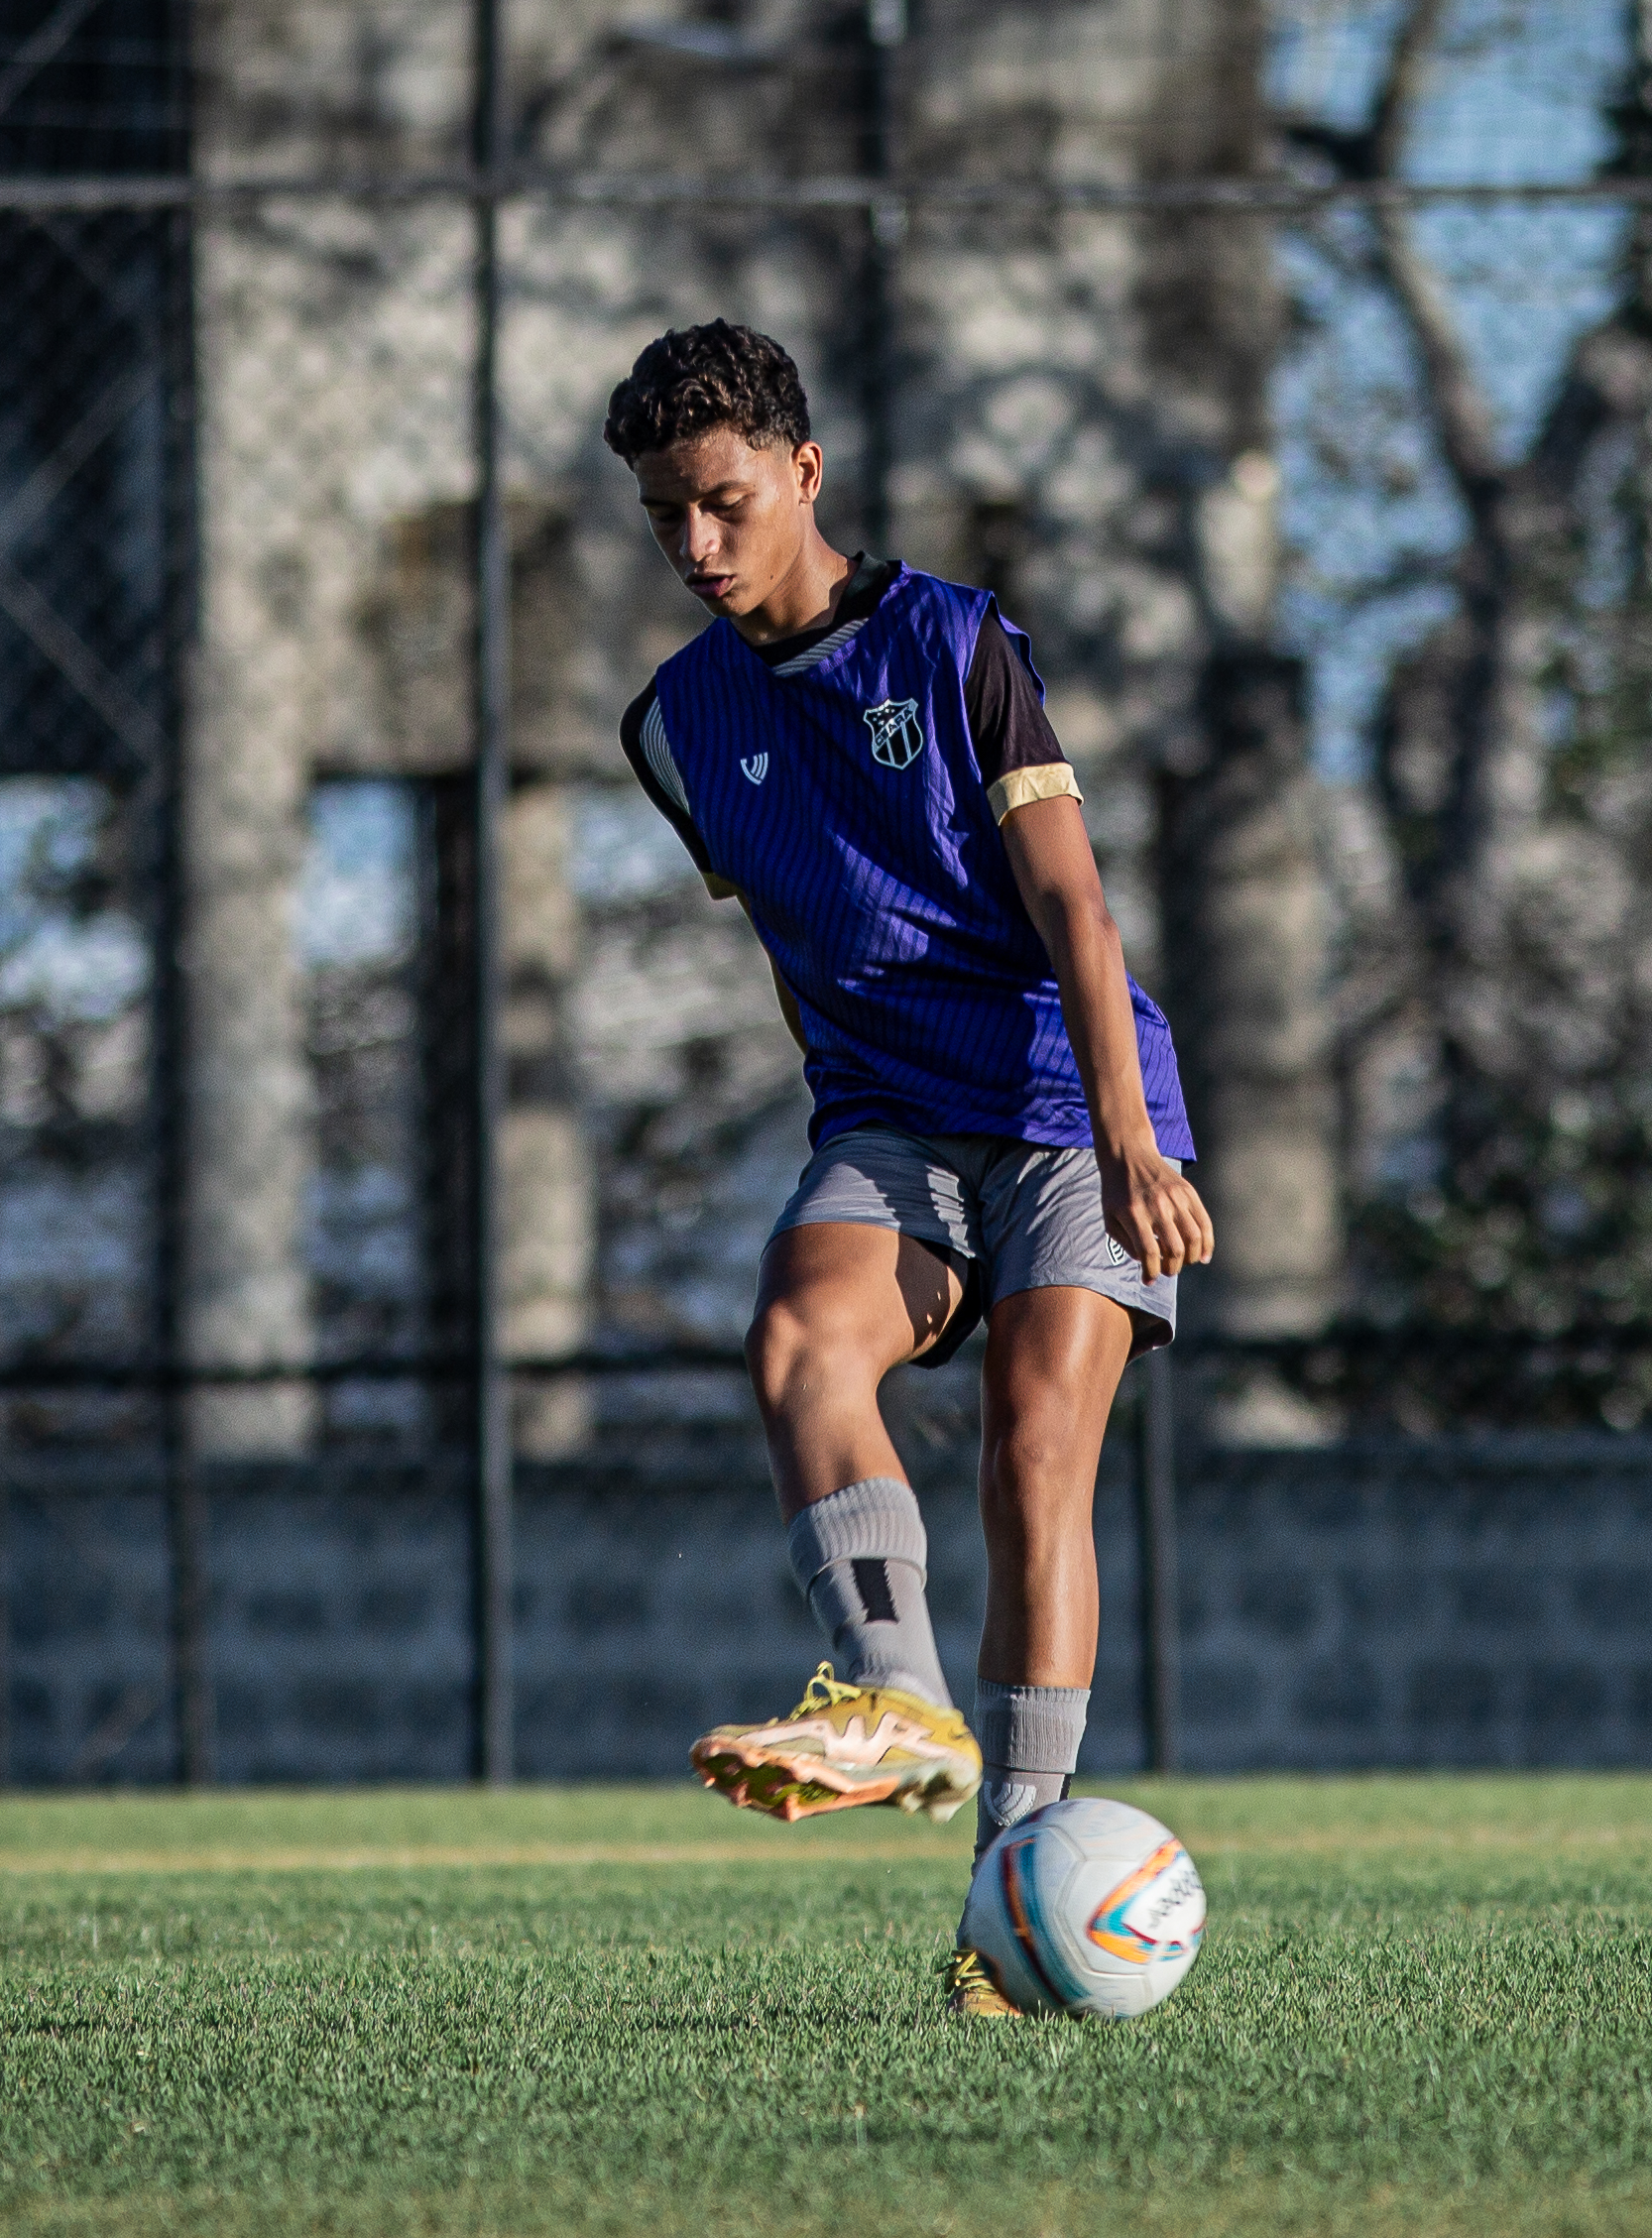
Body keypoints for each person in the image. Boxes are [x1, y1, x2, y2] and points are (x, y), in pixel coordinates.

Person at [602, 320, 1214, 2017]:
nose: (699, 547)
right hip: (888, 1117)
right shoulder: (674, 727)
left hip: (1065, 1102)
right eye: (665, 517)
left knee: (1034, 1450)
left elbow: (1073, 907)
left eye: (724, 501)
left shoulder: (951, 642)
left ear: (804, 469)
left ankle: (1010, 1883)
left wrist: (1131, 1139)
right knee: (799, 1339)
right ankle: (889, 1696)